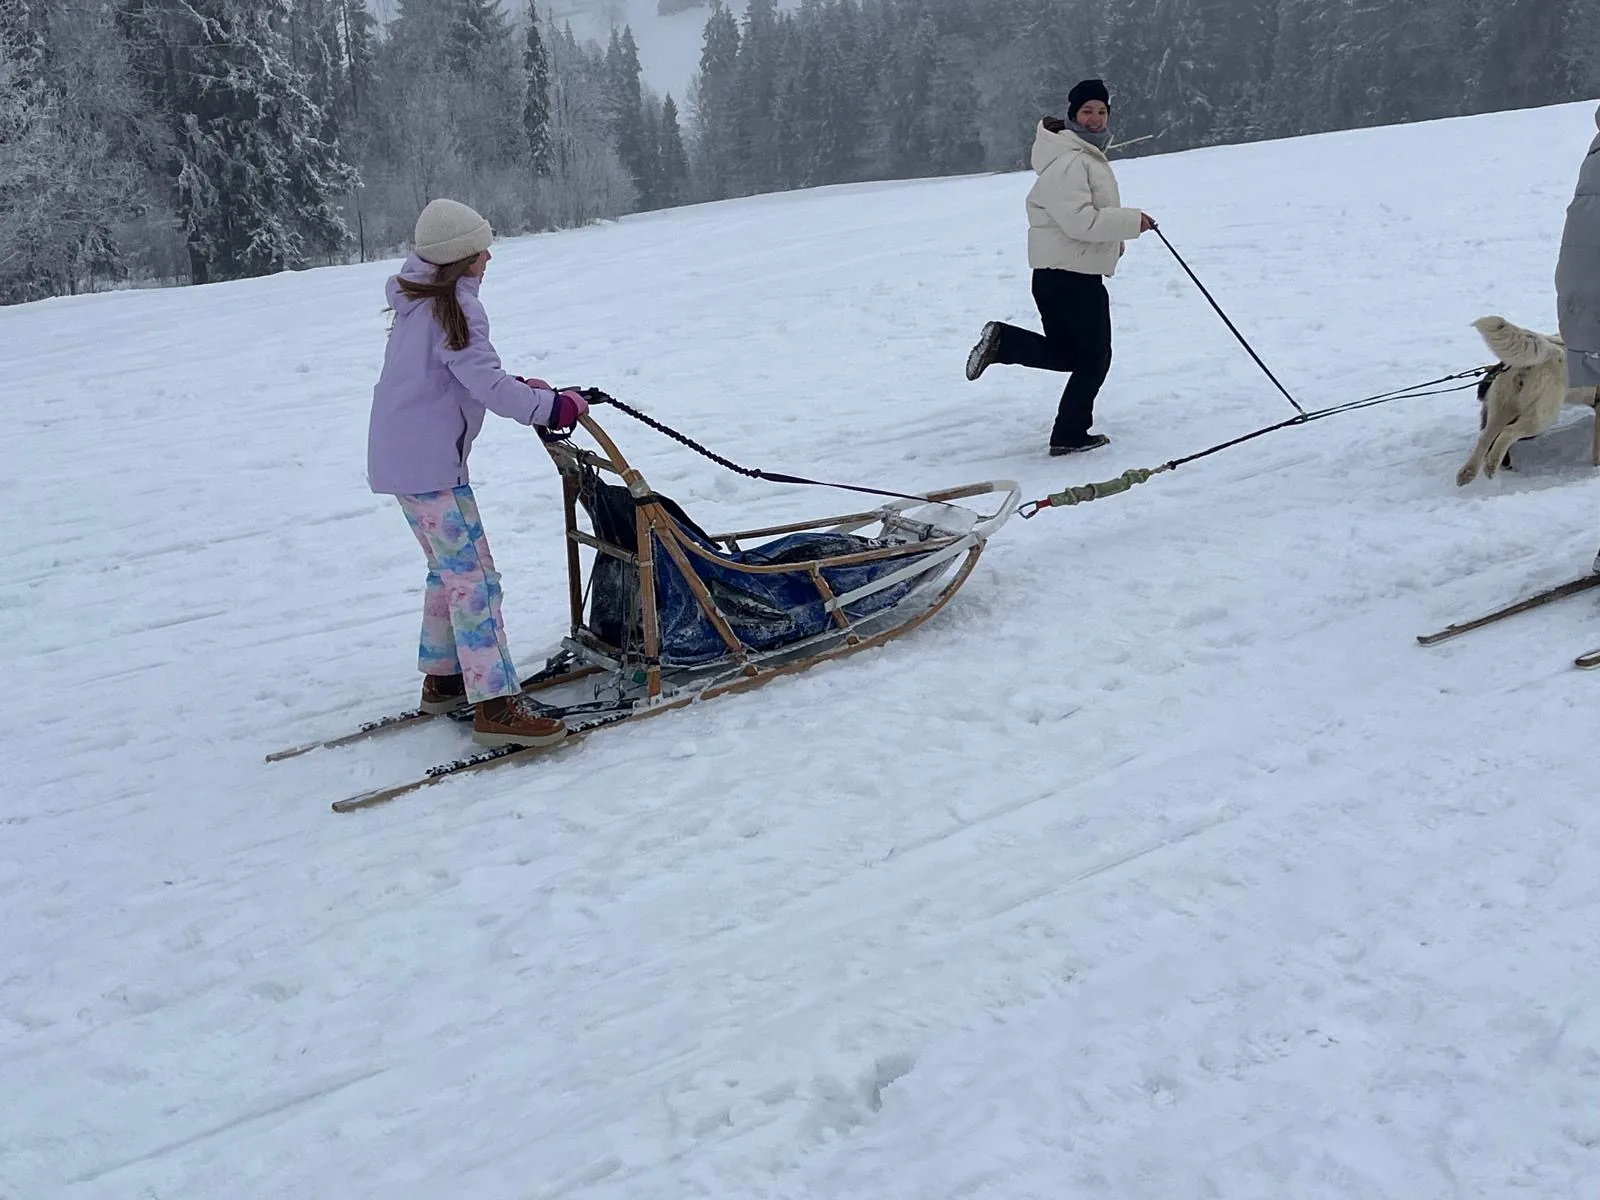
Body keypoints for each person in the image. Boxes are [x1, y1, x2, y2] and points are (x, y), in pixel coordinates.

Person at [367, 197, 588, 748]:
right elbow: (485, 385)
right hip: (430, 468)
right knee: (477, 582)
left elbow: (465, 373)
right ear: (459, 259)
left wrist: (527, 390)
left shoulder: (421, 304)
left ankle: (444, 680)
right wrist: (555, 408)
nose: (489, 256)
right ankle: (494, 703)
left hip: (406, 463)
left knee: (451, 573)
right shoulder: (455, 309)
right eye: (479, 249)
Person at [964, 78, 1156, 455]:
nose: (1096, 118)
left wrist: (1113, 241)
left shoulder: (1079, 155)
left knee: (1074, 355)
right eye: (1087, 111)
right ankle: (1068, 433)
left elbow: (1080, 218)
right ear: (1072, 115)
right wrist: (1131, 223)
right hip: (1070, 278)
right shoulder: (1071, 160)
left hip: (1061, 274)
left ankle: (1006, 343)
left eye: (1101, 111)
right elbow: (1079, 221)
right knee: (1095, 358)